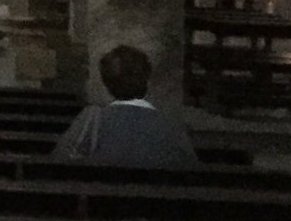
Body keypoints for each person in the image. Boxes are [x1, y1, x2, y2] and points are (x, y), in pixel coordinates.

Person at [52, 44, 200, 168]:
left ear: (107, 84)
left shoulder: (92, 120)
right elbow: (190, 168)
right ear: (147, 79)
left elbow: (60, 162)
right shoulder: (170, 124)